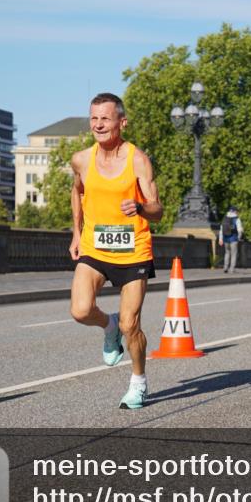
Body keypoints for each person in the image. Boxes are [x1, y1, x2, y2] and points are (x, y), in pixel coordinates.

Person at [68, 93, 163, 410]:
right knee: (80, 310)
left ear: (121, 122)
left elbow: (157, 210)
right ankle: (107, 327)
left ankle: (138, 381)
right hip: (95, 246)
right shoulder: (81, 159)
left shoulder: (138, 160)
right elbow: (77, 191)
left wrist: (139, 207)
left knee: (130, 324)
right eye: (94, 118)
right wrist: (76, 234)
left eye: (105, 119)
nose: (98, 124)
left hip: (133, 250)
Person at [218, 206, 243, 273]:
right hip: (233, 239)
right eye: (237, 211)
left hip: (225, 238)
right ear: (235, 211)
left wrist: (220, 239)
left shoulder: (225, 218)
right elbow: (240, 230)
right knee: (234, 254)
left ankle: (225, 267)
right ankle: (232, 269)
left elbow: (221, 229)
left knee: (227, 253)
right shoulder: (237, 219)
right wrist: (239, 238)